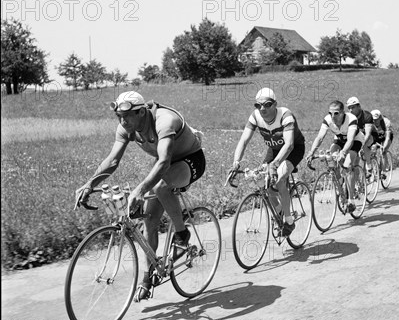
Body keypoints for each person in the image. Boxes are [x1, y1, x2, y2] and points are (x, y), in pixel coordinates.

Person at [75, 91, 206, 302]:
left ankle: (182, 235)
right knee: (149, 221)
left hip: (190, 160)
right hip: (165, 162)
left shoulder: (165, 120)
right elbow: (112, 161)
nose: (122, 121)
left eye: (126, 116)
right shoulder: (126, 127)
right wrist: (90, 184)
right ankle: (148, 276)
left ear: (142, 112)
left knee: (161, 187)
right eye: (118, 117)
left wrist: (139, 190)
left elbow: (163, 162)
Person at [231, 88, 306, 237]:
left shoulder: (285, 115)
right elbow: (244, 140)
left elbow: (289, 144)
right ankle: (280, 210)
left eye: (267, 104)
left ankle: (289, 221)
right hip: (274, 149)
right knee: (263, 181)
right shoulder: (255, 116)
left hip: (294, 149)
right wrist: (236, 163)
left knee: (279, 179)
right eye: (258, 105)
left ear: (275, 104)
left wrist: (275, 164)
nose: (262, 108)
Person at [306, 99, 364, 213]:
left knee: (347, 165)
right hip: (339, 140)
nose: (333, 116)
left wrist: (343, 152)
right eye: (330, 113)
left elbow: (351, 140)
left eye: (336, 113)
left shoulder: (351, 119)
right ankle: (341, 185)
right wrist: (311, 152)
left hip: (355, 140)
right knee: (331, 160)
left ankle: (351, 199)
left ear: (343, 112)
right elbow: (320, 137)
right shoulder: (328, 120)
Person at [370, 109, 393, 177]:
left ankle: (384, 170)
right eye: (373, 119)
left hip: (386, 136)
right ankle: (374, 167)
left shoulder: (386, 122)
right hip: (377, 136)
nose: (375, 121)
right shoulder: (370, 123)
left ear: (380, 118)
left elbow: (388, 138)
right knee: (372, 150)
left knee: (383, 151)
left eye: (377, 119)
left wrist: (384, 147)